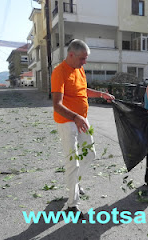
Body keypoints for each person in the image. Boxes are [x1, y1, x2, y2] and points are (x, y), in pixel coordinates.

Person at [51, 39, 115, 216]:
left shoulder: (79, 69)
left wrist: (101, 94)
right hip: (67, 121)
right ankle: (72, 205)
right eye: (82, 58)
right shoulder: (59, 72)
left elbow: (83, 90)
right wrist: (76, 117)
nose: (84, 62)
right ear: (71, 55)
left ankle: (74, 184)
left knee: (90, 154)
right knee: (73, 161)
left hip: (81, 119)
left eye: (85, 58)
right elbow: (57, 104)